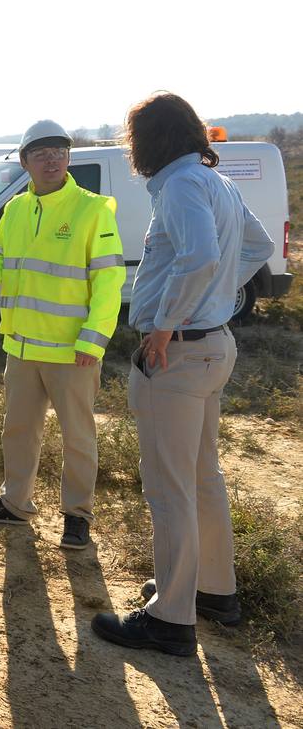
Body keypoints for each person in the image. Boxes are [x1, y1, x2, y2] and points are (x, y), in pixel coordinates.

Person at [93, 93, 273, 656]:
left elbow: (198, 257)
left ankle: (170, 618)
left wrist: (168, 324)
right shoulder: (216, 181)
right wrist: (214, 297)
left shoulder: (179, 186)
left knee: (169, 488)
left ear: (148, 139)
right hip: (213, 345)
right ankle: (213, 590)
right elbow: (259, 246)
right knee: (200, 477)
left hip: (179, 354)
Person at [0, 120, 123, 550]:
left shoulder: (92, 210)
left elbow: (109, 282)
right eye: (41, 154)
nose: (52, 160)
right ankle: (15, 504)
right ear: (24, 162)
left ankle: (77, 515)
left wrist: (94, 339)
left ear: (68, 158)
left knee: (78, 437)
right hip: (21, 345)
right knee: (18, 430)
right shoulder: (15, 208)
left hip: (73, 351)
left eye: (59, 152)